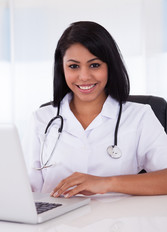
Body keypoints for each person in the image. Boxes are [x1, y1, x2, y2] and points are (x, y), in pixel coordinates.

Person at [24, 21, 167, 197]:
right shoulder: (41, 119)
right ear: (62, 69)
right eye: (73, 66)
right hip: (57, 223)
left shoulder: (139, 116)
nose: (84, 76)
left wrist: (106, 183)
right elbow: (27, 191)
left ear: (110, 67)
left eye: (95, 65)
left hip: (120, 222)